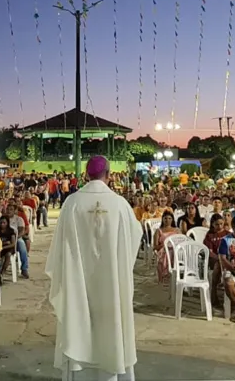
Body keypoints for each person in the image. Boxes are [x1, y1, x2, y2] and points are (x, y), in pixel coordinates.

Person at [46, 156, 142, 381]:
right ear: (108, 174)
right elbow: (135, 237)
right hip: (111, 281)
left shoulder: (72, 203)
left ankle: (80, 370)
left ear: (86, 175)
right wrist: (119, 264)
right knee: (112, 326)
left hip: (78, 280)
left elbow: (60, 245)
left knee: (79, 318)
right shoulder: (119, 204)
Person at [153, 211, 181, 284]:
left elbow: (182, 242)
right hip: (163, 250)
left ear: (172, 220)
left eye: (169, 218)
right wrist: (165, 245)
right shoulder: (158, 231)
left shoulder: (177, 230)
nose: (167, 220)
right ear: (162, 219)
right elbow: (155, 247)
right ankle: (166, 274)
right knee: (166, 252)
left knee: (175, 252)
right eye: (165, 218)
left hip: (175, 249)